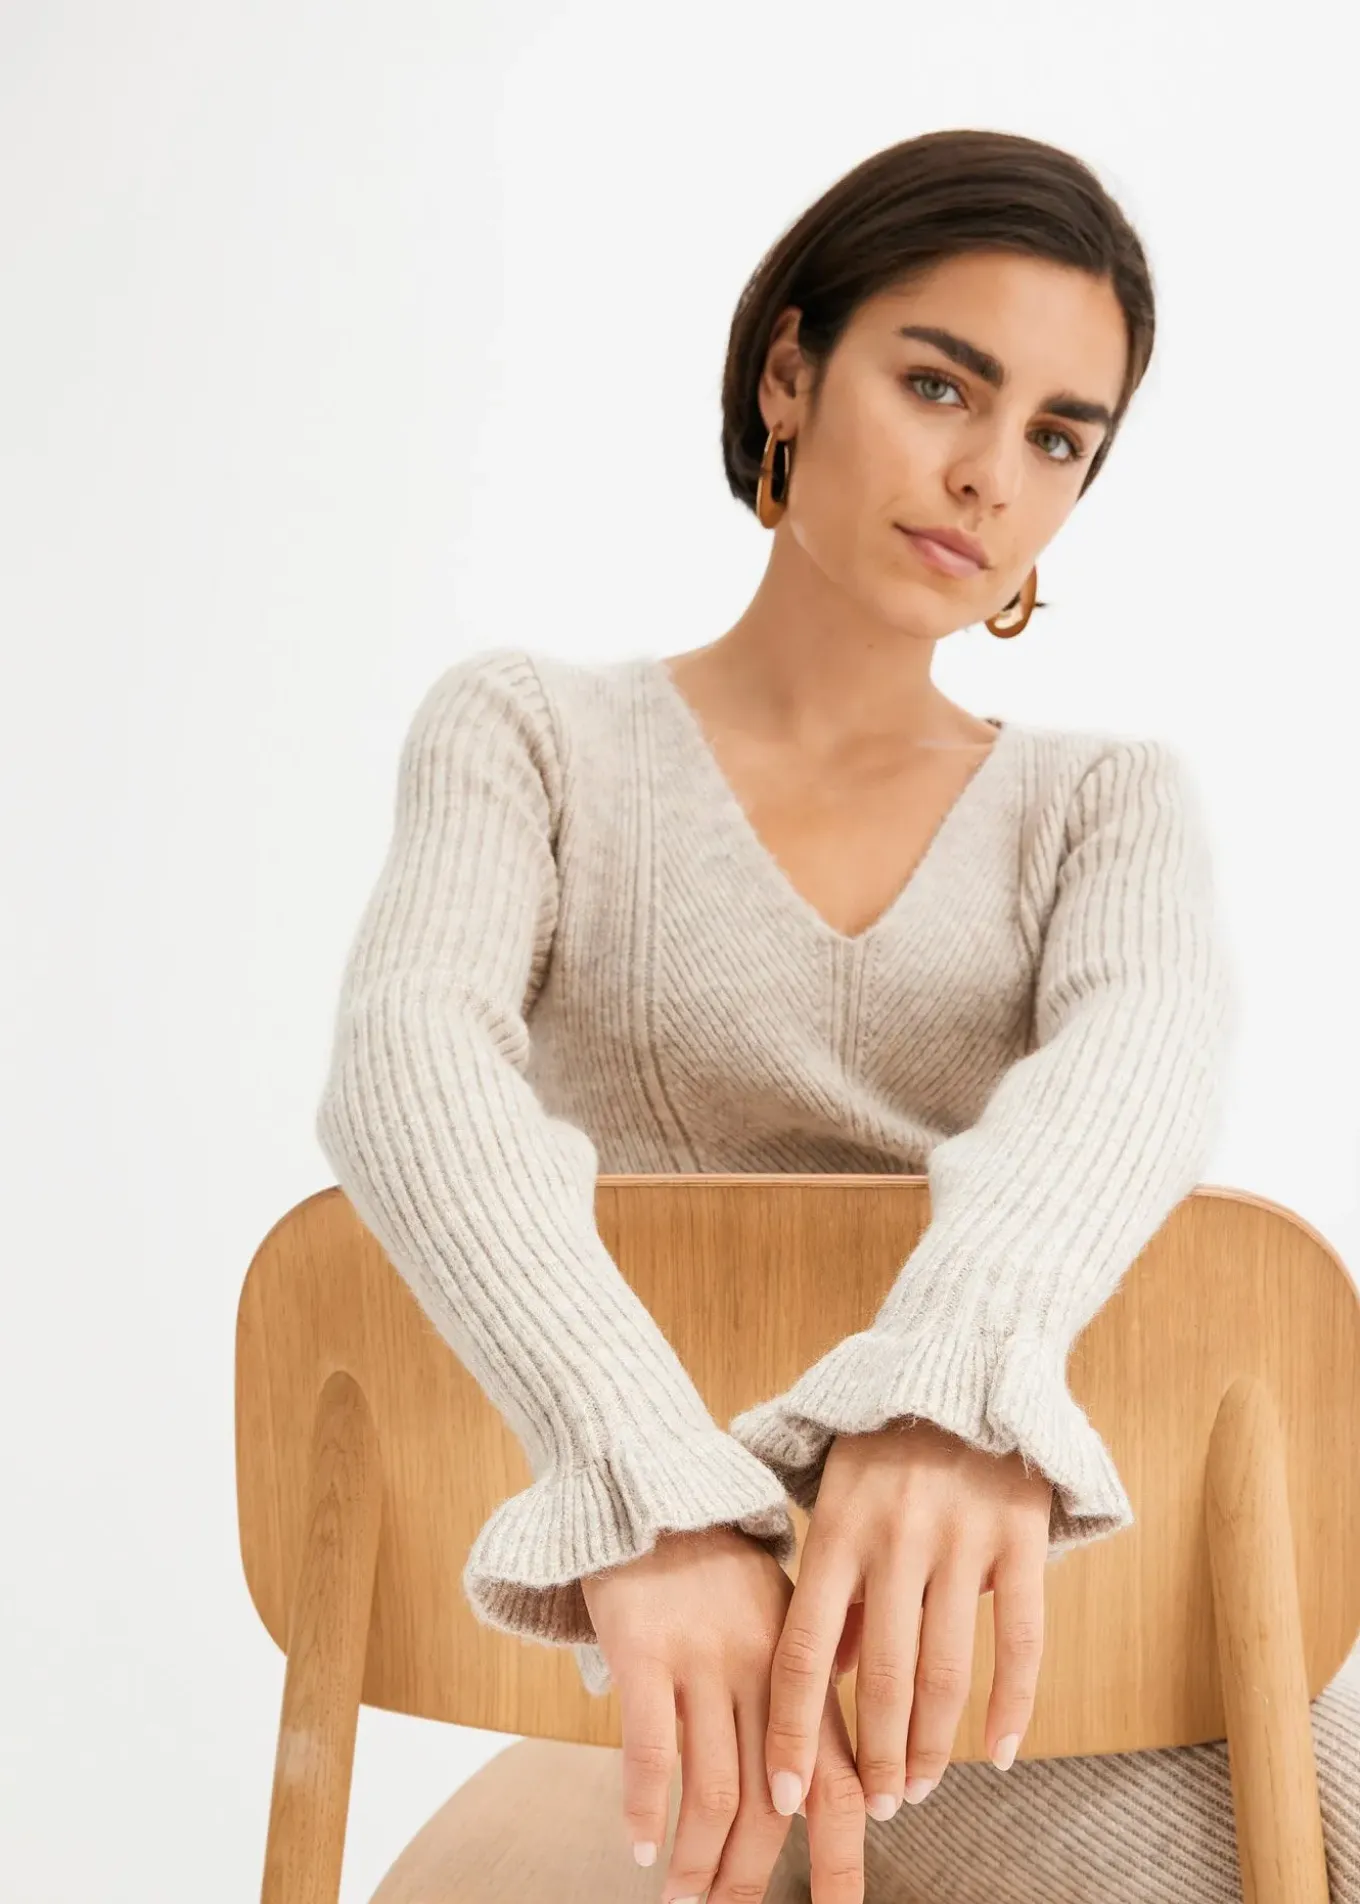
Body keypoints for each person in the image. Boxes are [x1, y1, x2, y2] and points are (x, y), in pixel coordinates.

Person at [313, 128, 1359, 1904]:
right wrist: (652, 1490)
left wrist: (949, 1398)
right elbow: (410, 1071)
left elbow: (1136, 1073)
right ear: (789, 373)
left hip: (1047, 1602)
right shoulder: (532, 739)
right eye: (941, 383)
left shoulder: (1104, 804)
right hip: (681, 1617)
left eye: (1058, 437)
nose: (987, 477)